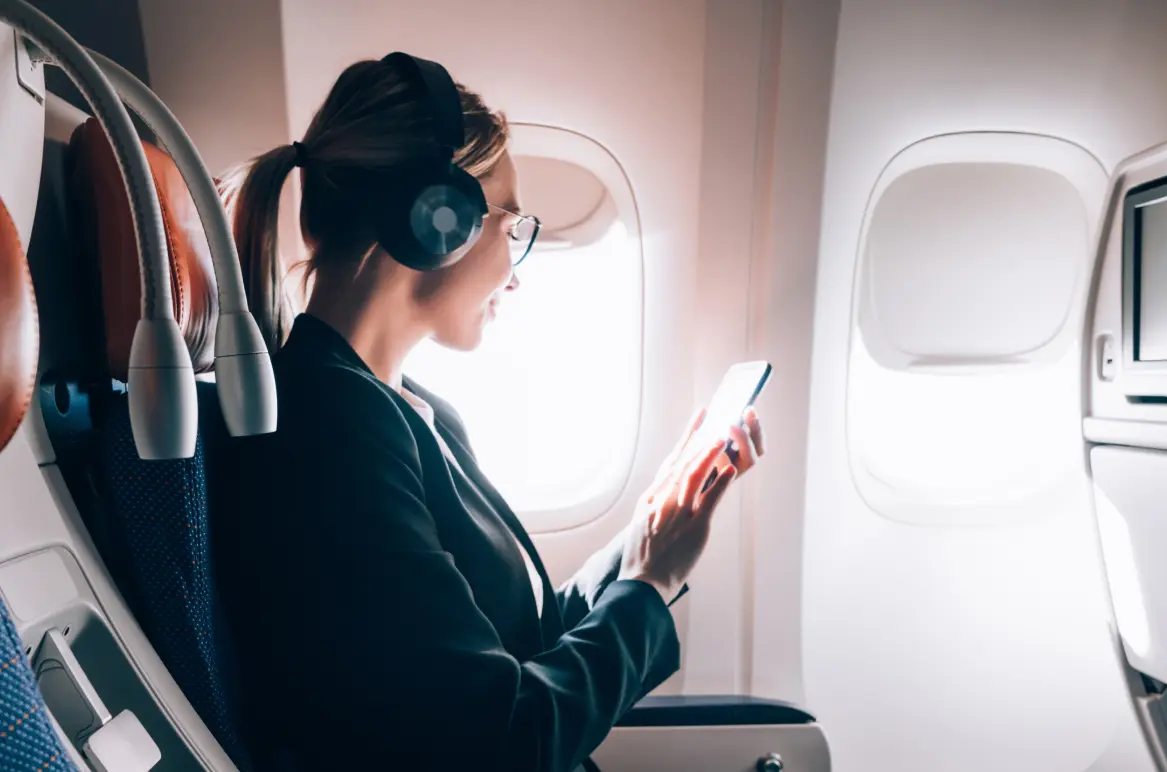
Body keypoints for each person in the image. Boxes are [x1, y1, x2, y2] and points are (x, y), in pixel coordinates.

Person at [212, 52, 766, 772]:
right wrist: (650, 587)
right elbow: (503, 742)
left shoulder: (408, 410)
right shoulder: (331, 433)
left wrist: (646, 537)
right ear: (436, 220)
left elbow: (521, 647)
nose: (516, 266)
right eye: (512, 225)